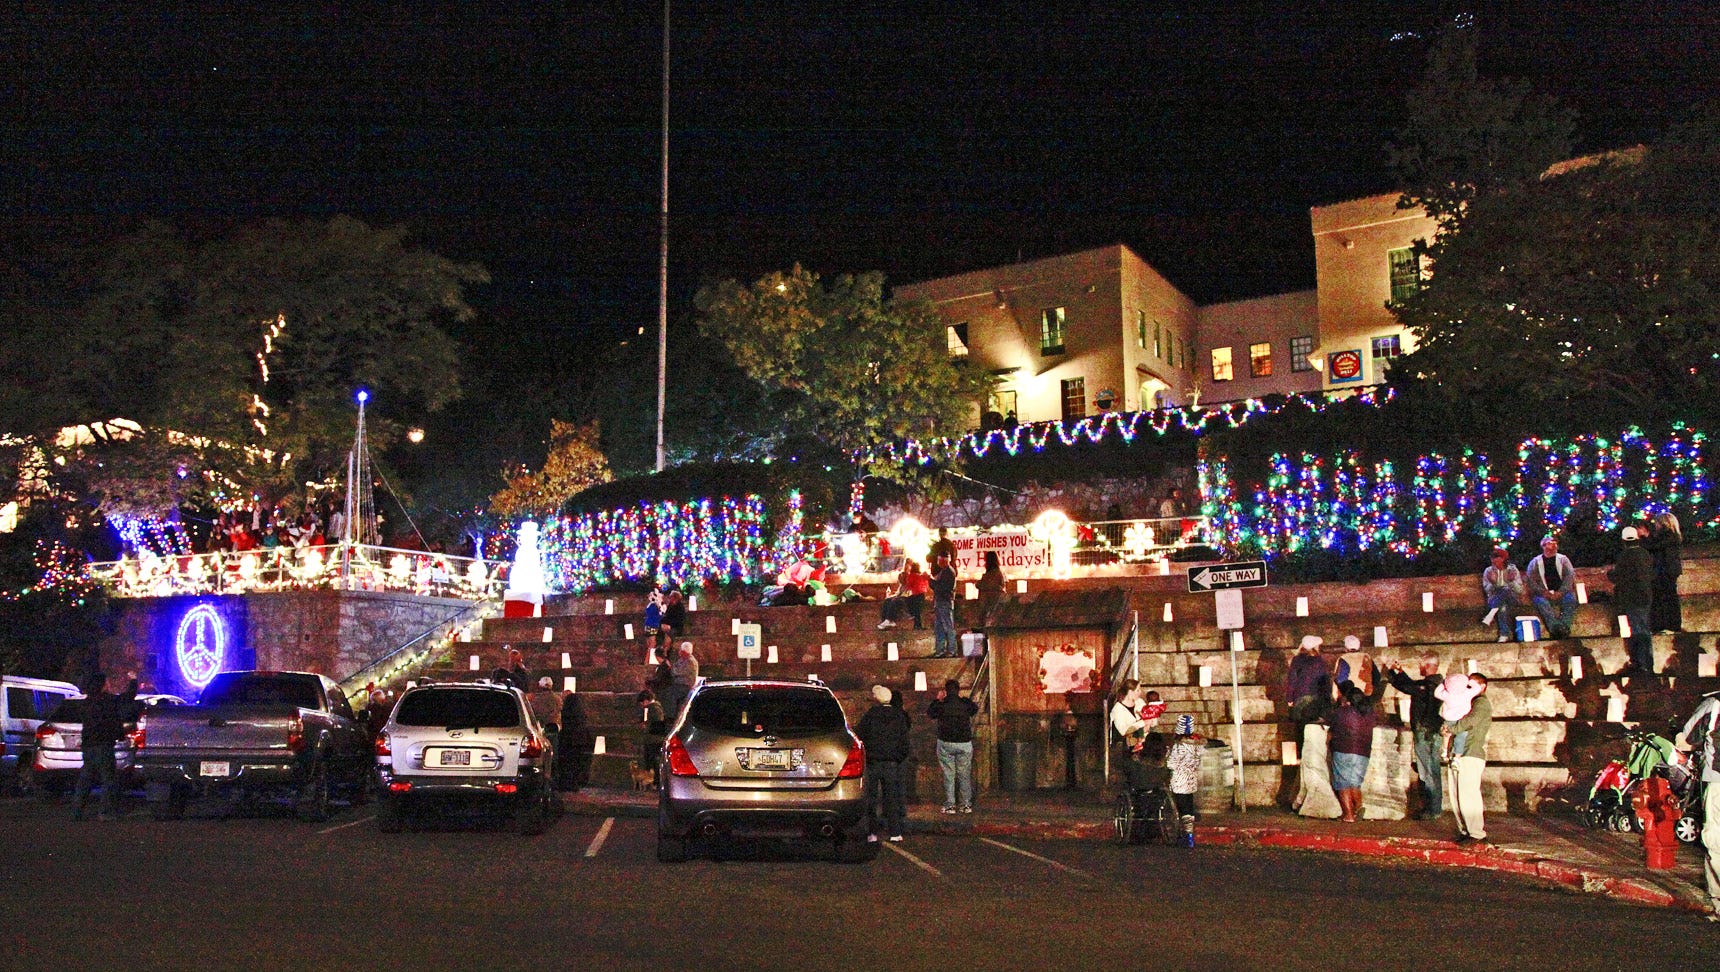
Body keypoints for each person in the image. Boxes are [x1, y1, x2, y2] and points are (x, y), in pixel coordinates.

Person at [1675, 691, 1720, 921]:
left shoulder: (1715, 704)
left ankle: (1718, 902)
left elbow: (1687, 738)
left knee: (1715, 841)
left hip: (1718, 780)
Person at [72, 671, 140, 821]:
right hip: (103, 745)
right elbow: (128, 697)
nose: (109, 685)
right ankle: (105, 812)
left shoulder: (86, 703)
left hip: (89, 746)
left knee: (85, 780)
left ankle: (77, 812)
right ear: (102, 685)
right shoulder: (107, 701)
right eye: (107, 682)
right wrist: (133, 680)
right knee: (108, 780)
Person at [1385, 653, 1446, 820]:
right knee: (1431, 770)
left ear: (1426, 665)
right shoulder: (1436, 683)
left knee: (1427, 771)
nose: (1419, 668)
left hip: (1426, 732)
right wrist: (1399, 672)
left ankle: (1431, 809)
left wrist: (1393, 673)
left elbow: (1409, 687)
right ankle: (1433, 807)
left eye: (1421, 665)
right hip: (1431, 732)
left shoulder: (1430, 684)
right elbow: (1411, 685)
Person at [1442, 672, 1492, 844]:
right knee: (1456, 795)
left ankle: (1476, 833)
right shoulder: (1465, 702)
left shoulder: (1481, 703)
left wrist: (1452, 728)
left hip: (1471, 753)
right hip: (1459, 754)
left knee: (1468, 795)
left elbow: (1470, 720)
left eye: (1470, 685)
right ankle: (1465, 830)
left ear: (1482, 686)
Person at [856, 684, 910, 842]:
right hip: (892, 762)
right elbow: (904, 740)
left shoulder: (871, 715)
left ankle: (872, 832)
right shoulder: (898, 716)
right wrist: (898, 756)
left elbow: (860, 734)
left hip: (873, 762)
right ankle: (895, 831)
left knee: (871, 798)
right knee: (891, 798)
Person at [1327, 681, 1380, 823]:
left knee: (1343, 783)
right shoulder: (1369, 714)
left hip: (1343, 749)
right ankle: (1358, 809)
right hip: (1363, 752)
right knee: (1355, 783)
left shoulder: (1342, 712)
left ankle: (1348, 815)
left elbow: (1331, 723)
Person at [1608, 526, 1655, 674]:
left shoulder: (1624, 556)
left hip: (1631, 598)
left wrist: (1610, 573)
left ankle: (1641, 663)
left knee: (1638, 630)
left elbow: (1617, 577)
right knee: (1643, 628)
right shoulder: (1645, 554)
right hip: (1645, 596)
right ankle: (1646, 662)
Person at [928, 678, 978, 814]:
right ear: (958, 690)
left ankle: (950, 804)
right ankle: (966, 804)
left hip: (946, 742)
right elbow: (975, 709)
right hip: (964, 743)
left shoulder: (941, 704)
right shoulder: (964, 704)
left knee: (948, 774)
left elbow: (930, 713)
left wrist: (937, 699)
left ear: (945, 691)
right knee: (964, 774)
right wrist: (963, 699)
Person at [1525, 535, 1577, 639]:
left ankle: (1564, 628)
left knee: (1571, 600)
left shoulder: (1563, 559)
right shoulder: (1535, 562)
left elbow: (1569, 576)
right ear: (1544, 546)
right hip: (1543, 594)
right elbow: (1530, 580)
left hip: (1562, 593)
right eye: (1550, 543)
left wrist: (1561, 592)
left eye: (1555, 543)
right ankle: (1555, 628)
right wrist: (1543, 592)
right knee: (1541, 602)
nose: (1553, 546)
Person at [1647, 511, 1684, 633]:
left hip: (1665, 572)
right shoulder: (1672, 536)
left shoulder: (1668, 536)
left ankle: (1669, 625)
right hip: (1667, 571)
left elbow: (1653, 546)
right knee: (1667, 598)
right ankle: (1667, 625)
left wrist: (1646, 536)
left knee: (1667, 599)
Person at [1480, 548, 1525, 643]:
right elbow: (1487, 590)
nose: (1493, 560)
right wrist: (1493, 583)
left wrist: (1511, 581)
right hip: (1494, 600)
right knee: (1503, 606)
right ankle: (1504, 634)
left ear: (1503, 559)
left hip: (1512, 599)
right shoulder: (1488, 571)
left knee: (1506, 589)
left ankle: (1491, 615)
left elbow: (1520, 590)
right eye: (1492, 558)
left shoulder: (1512, 570)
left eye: (1497, 557)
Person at [1167, 715, 1203, 824]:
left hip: (1180, 779)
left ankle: (1185, 833)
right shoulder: (1197, 745)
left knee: (1182, 807)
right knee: (1189, 804)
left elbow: (1172, 763)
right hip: (1191, 778)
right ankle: (1190, 834)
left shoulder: (1179, 746)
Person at [877, 559, 929, 630]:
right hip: (916, 598)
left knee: (895, 601)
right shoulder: (921, 577)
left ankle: (889, 620)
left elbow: (908, 590)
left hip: (914, 599)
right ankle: (886, 621)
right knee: (888, 600)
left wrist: (898, 595)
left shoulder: (913, 577)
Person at [558, 692, 593, 791]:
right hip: (580, 741)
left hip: (568, 741)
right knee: (577, 764)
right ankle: (575, 783)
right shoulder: (581, 715)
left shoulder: (566, 713)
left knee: (567, 764)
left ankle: (566, 784)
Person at [928, 552, 959, 658]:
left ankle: (952, 650)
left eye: (938, 560)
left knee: (948, 626)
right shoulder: (945, 571)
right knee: (939, 627)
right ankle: (940, 650)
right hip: (940, 602)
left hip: (944, 602)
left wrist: (930, 581)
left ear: (943, 560)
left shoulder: (948, 572)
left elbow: (941, 588)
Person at [665, 641, 699, 722]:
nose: (679, 652)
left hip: (684, 687)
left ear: (684, 651)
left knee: (670, 694)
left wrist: (671, 668)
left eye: (680, 650)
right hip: (679, 685)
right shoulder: (682, 660)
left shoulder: (690, 661)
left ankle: (671, 717)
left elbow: (676, 672)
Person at [975, 551, 1005, 628]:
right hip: (997, 601)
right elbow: (1002, 584)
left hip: (987, 602)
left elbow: (980, 584)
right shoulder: (999, 573)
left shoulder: (989, 575)